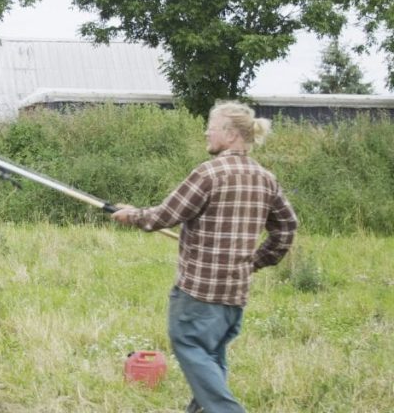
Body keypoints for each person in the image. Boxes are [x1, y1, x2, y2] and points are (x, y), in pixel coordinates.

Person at [111, 100, 298, 413]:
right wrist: (255, 261)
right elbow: (287, 227)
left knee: (188, 344)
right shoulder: (265, 178)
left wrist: (131, 215)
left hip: (199, 294)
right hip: (234, 295)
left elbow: (164, 215)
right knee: (211, 358)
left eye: (210, 127)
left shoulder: (210, 174)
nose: (206, 133)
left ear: (229, 133)